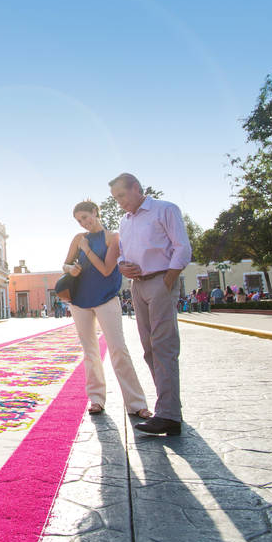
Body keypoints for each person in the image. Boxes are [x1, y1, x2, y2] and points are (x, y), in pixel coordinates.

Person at [109, 173, 191, 436]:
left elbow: (182, 247)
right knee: (148, 349)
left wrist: (169, 279)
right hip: (138, 285)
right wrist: (122, 265)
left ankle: (167, 414)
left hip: (160, 281)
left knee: (163, 346)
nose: (120, 202)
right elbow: (123, 253)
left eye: (122, 195)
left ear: (136, 188)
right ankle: (170, 410)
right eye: (115, 198)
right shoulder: (124, 221)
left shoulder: (164, 210)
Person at [62, 200, 152, 418]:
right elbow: (64, 264)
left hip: (106, 298)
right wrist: (71, 269)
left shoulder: (113, 237)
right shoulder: (78, 238)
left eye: (85, 217)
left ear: (95, 212)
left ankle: (137, 403)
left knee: (118, 349)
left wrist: (86, 250)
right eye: (78, 220)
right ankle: (96, 399)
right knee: (90, 352)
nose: (83, 223)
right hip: (80, 301)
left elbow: (105, 269)